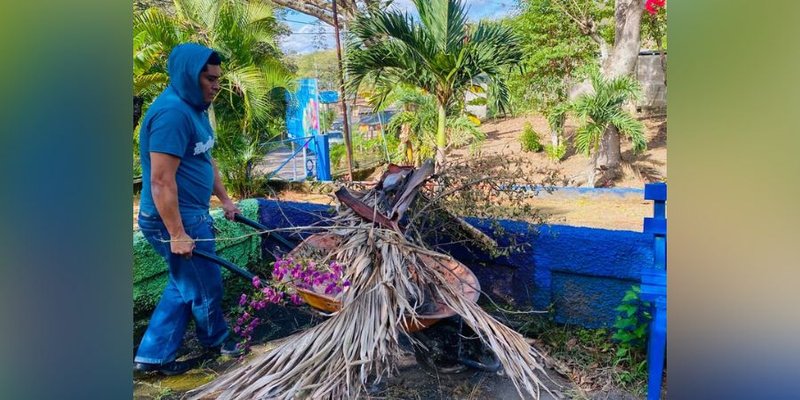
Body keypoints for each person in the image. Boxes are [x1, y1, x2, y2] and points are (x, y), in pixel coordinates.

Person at [134, 43, 244, 376]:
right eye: (209, 79)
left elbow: (204, 158)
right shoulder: (172, 114)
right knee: (204, 283)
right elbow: (161, 181)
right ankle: (218, 342)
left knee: (186, 283)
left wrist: (224, 200)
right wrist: (178, 234)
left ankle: (152, 356)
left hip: (192, 213)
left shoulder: (195, 108)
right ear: (187, 75)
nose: (216, 86)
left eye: (218, 79)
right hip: (173, 218)